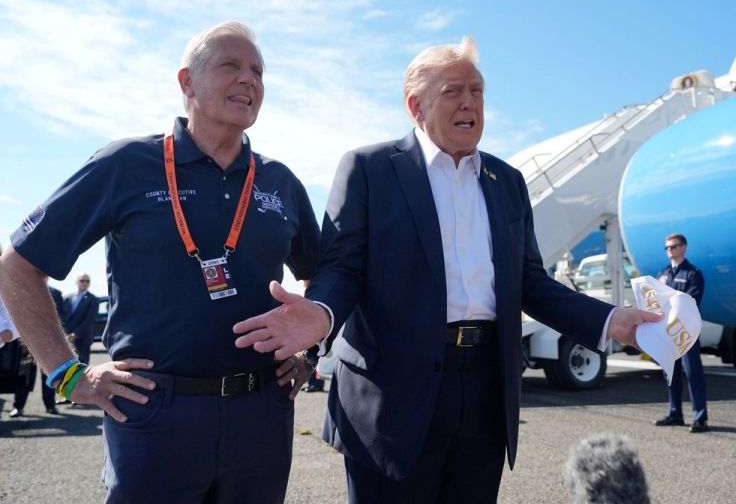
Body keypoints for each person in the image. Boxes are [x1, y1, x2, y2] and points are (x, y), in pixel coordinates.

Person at [232, 37, 662, 502]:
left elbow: (530, 282)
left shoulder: (507, 182)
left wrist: (609, 320)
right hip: (392, 397)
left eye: (477, 91)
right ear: (416, 106)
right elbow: (343, 269)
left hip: (483, 393)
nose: (469, 102)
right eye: (453, 91)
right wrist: (322, 314)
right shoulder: (369, 169)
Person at [0, 21, 320, 503]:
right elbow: (17, 265)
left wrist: (310, 349)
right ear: (187, 82)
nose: (249, 79)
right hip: (154, 410)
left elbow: (326, 273)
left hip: (262, 410)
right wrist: (66, 372)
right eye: (230, 65)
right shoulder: (125, 165)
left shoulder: (280, 182)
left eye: (258, 71)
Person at [654, 233, 708, 433]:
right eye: (667, 247)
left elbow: (690, 302)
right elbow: (657, 301)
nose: (670, 250)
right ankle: (675, 413)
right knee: (671, 373)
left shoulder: (694, 273)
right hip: (667, 332)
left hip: (686, 333)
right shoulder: (663, 274)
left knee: (693, 374)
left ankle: (700, 418)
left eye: (674, 246)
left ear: (684, 247)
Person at [10, 280, 66, 416]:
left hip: (49, 343)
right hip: (26, 342)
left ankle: (50, 405)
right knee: (24, 375)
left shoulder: (57, 293)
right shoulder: (22, 290)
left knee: (50, 376)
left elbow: (62, 318)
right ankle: (18, 406)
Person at [63, 273, 99, 365]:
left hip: (82, 339)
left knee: (81, 368)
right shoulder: (67, 298)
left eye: (87, 281)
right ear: (77, 282)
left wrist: (75, 335)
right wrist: (64, 334)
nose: (85, 283)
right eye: (82, 280)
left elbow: (89, 320)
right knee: (65, 367)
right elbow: (61, 316)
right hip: (65, 338)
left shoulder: (93, 299)